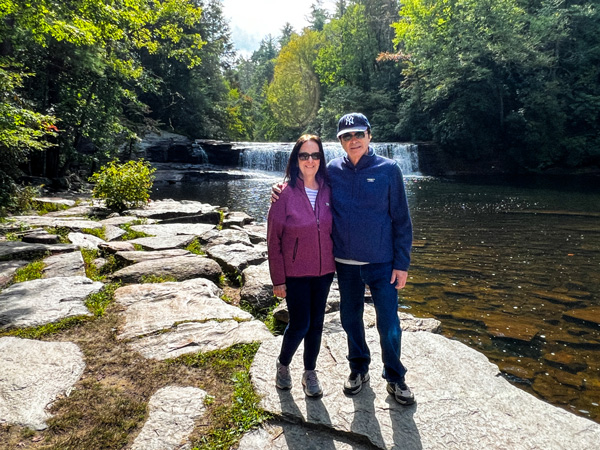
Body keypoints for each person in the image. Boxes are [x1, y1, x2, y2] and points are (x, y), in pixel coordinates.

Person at [272, 113, 415, 405]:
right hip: (346, 266)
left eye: (359, 134)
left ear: (369, 136)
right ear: (340, 141)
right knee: (351, 320)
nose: (354, 140)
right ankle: (358, 368)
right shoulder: (332, 171)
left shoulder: (389, 170)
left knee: (388, 323)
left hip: (383, 264)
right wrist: (279, 189)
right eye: (347, 136)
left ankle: (395, 376)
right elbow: (304, 179)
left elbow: (402, 220)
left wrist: (402, 263)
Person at [267, 134, 336, 398]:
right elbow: (273, 239)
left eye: (315, 155)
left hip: (325, 271)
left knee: (316, 323)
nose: (310, 160)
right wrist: (278, 279)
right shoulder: (283, 194)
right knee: (300, 323)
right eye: (304, 155)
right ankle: (283, 364)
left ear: (321, 159)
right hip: (295, 272)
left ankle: (310, 372)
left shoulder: (329, 188)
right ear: (296, 159)